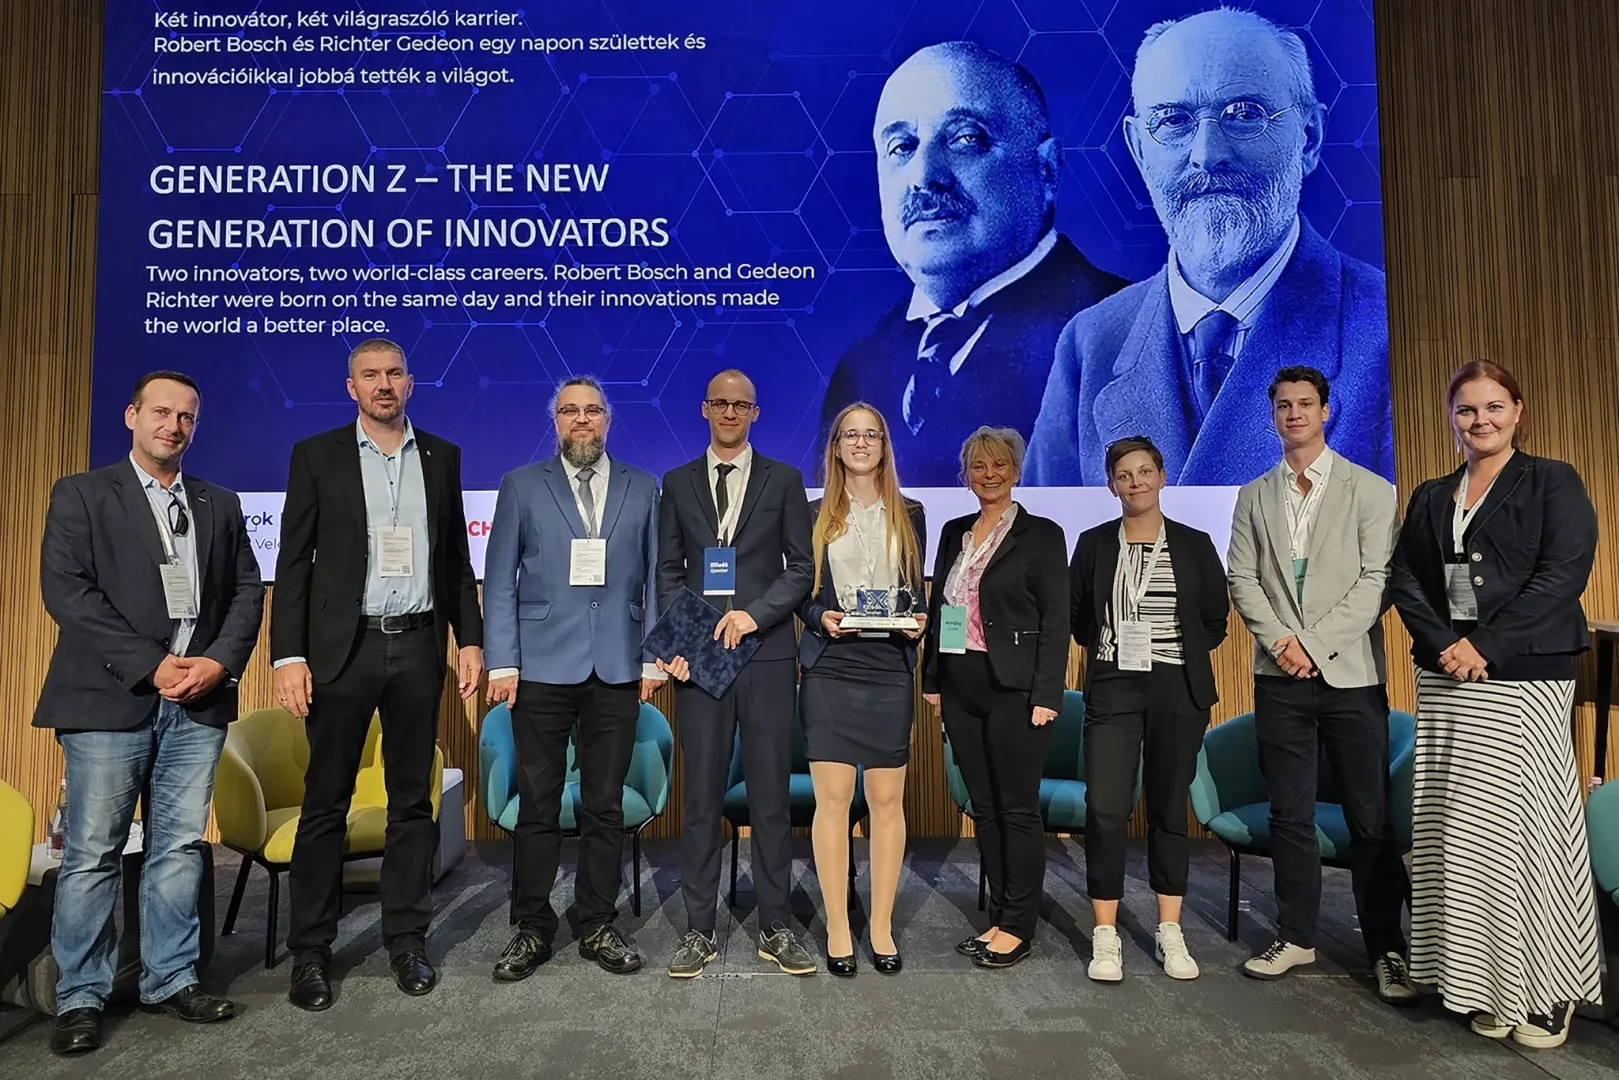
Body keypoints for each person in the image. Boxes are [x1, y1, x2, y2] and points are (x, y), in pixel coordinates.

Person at [1026, 7, 1392, 488]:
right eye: (1174, 120)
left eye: (1244, 115)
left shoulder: (1389, 328)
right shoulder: (1090, 343)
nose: (1206, 154)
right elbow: (1052, 547)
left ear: (1308, 138)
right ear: (1139, 150)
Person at [36, 371, 263, 1055]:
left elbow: (247, 591)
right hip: (110, 698)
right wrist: (151, 664)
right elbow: (67, 593)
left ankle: (171, 979)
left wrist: (217, 663)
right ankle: (81, 997)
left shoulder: (218, 503)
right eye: (161, 412)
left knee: (179, 847)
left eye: (187, 417)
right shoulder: (81, 494)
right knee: (93, 854)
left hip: (198, 700)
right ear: (132, 416)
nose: (174, 425)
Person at [1390, 360, 1602, 1049]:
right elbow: (1405, 577)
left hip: (1521, 676)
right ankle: (1485, 980)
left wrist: (1486, 645)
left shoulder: (1552, 481)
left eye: (1491, 407)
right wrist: (1445, 644)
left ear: (1517, 410)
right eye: (1464, 410)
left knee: (1527, 834)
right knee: (1461, 836)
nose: (1478, 421)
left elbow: (1562, 574)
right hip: (1448, 679)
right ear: (1450, 418)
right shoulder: (1431, 493)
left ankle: (1548, 989)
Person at [271, 338, 484, 1011]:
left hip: (419, 645)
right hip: (343, 649)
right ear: (351, 387)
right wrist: (288, 655)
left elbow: (454, 561)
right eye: (371, 375)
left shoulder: (440, 456)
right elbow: (294, 560)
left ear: (411, 383)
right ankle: (311, 952)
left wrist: (470, 642)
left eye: (394, 374)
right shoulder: (317, 455)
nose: (384, 384)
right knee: (325, 801)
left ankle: (406, 940)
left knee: (411, 804)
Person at [820, 40, 1124, 485]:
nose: (923, 176)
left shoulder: (1123, 332)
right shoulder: (859, 368)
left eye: (965, 139)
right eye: (902, 146)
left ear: (1046, 169)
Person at [1226, 365, 1413, 1003]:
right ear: (1272, 415)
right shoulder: (1254, 494)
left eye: (1306, 404)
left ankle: (1387, 949)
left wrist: (1313, 643)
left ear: (1326, 412)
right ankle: (1296, 934)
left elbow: (1376, 583)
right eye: (1283, 405)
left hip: (1351, 678)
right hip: (1278, 676)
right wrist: (1284, 643)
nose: (1295, 414)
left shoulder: (1369, 489)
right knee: (1290, 814)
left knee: (1369, 817)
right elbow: (1241, 580)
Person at [481, 376, 663, 980]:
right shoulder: (521, 486)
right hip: (538, 668)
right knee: (537, 805)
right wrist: (502, 662)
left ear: (607, 419)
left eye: (591, 411)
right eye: (569, 412)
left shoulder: (643, 486)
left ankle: (596, 923)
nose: (581, 421)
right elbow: (500, 579)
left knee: (604, 804)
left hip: (615, 665)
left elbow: (657, 580)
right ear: (555, 421)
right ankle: (531, 927)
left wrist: (651, 657)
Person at [651, 369, 816, 978]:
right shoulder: (677, 483)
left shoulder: (785, 480)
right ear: (703, 409)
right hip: (700, 660)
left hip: (768, 653)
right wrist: (682, 641)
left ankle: (775, 925)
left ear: (754, 412)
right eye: (718, 402)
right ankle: (699, 930)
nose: (728, 412)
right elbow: (668, 572)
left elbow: (800, 570)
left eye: (739, 404)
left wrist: (753, 616)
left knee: (771, 799)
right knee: (700, 801)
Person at [1069, 435, 1228, 983]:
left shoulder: (1193, 543)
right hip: (1114, 682)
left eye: (1144, 472)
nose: (1134, 483)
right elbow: (1080, 619)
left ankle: (1169, 931)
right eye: (1123, 475)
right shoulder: (1092, 544)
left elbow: (1215, 621)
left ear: (1162, 476)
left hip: (1176, 687)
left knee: (1167, 809)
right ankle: (1106, 934)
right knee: (1106, 809)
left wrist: (1168, 656)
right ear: (1111, 484)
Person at [922, 426, 1068, 969]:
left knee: (1017, 809)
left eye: (999, 465)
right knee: (984, 809)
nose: (989, 475)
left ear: (1016, 470)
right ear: (965, 475)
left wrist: (1047, 693)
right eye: (978, 467)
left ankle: (1018, 926)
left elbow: (1056, 619)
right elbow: (943, 612)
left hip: (1016, 689)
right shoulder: (955, 530)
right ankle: (1001, 916)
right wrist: (933, 681)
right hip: (961, 688)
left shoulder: (1042, 534)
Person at [797, 403, 927, 976]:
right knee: (831, 803)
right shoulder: (813, 513)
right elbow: (799, 590)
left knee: (887, 803)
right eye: (850, 434)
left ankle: (880, 926)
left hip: (889, 669)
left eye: (871, 434)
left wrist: (920, 619)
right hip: (831, 668)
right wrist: (817, 615)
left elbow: (916, 592)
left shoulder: (912, 512)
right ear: (836, 446)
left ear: (884, 444)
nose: (861, 443)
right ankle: (839, 927)